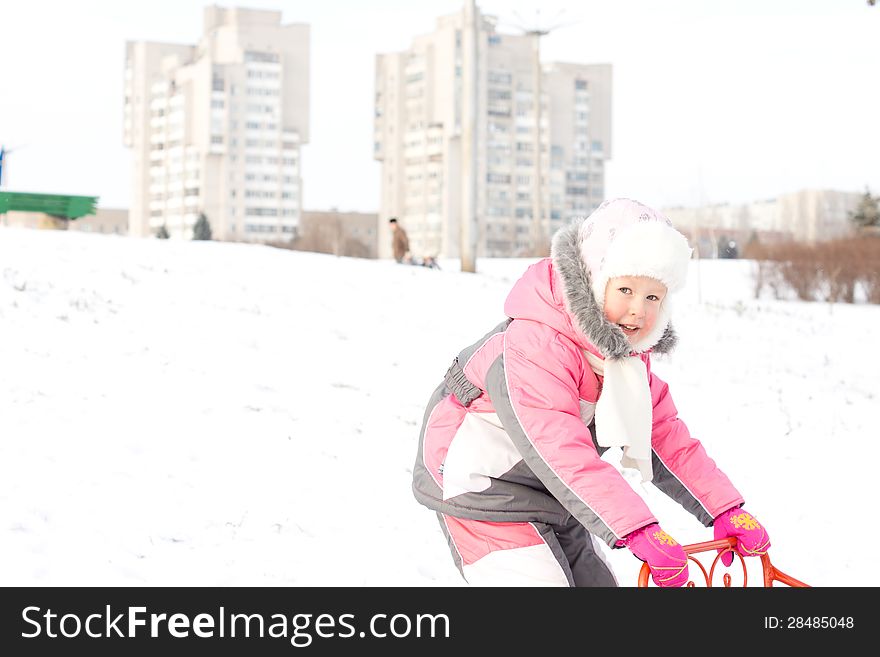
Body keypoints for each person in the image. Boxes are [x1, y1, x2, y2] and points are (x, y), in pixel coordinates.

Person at [411, 198, 770, 587]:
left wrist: (723, 507)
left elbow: (665, 436)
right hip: (482, 488)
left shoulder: (625, 359)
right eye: (626, 289)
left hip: (552, 491)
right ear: (595, 281)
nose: (638, 311)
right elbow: (560, 449)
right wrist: (636, 528)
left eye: (653, 297)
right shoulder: (534, 345)